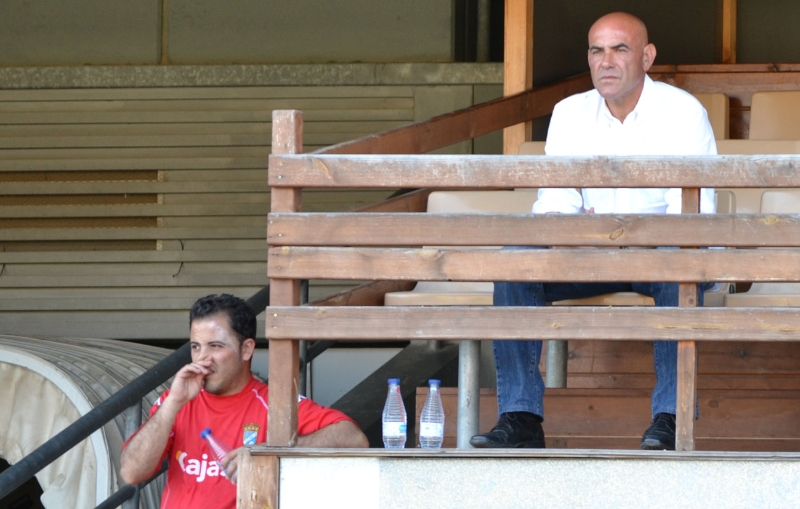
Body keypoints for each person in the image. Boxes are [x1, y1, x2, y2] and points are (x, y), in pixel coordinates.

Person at [470, 12, 716, 451]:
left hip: (660, 256)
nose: (606, 61)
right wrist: (589, 238)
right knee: (516, 261)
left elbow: (687, 218)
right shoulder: (570, 113)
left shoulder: (683, 112)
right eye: (597, 50)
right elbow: (556, 207)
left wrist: (615, 236)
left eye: (620, 49)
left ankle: (671, 418)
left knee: (678, 260)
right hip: (590, 255)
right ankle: (521, 418)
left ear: (647, 57)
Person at [120, 293, 367, 508]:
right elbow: (131, 473)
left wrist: (269, 452)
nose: (203, 359)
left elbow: (354, 439)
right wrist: (173, 403)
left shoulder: (274, 403)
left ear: (246, 349)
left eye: (215, 346)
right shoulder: (175, 401)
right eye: (196, 347)